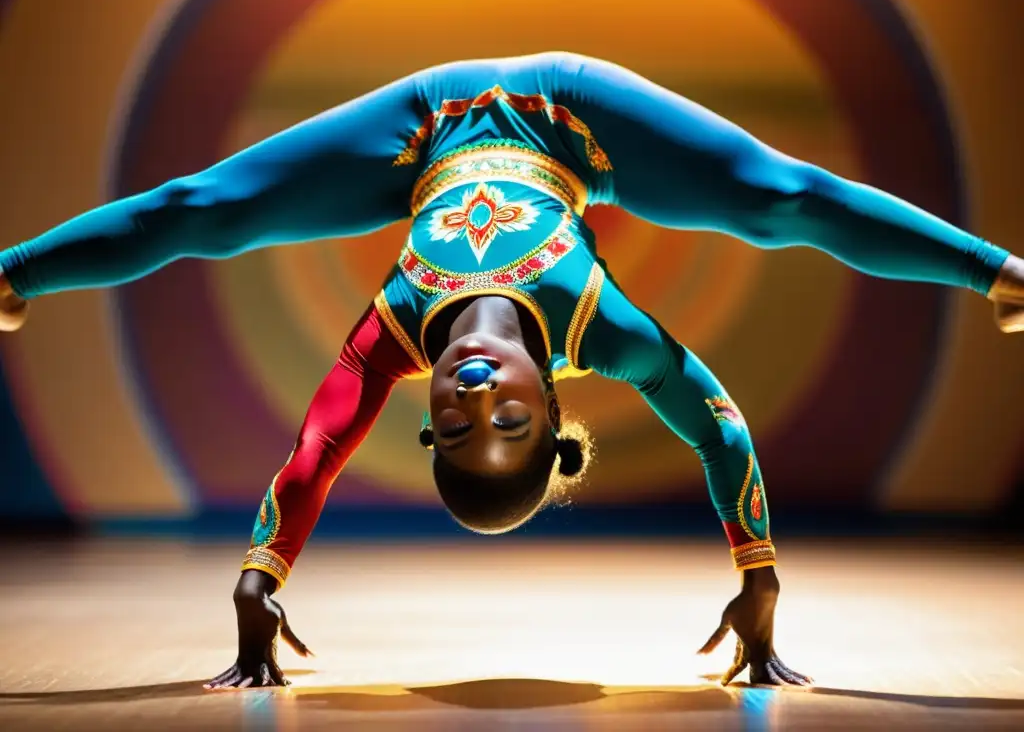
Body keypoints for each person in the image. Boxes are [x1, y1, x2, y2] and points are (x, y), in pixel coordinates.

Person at [2, 53, 1021, 690]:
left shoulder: (390, 340)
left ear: (427, 420)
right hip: (572, 117)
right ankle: (1002, 277)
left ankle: (9, 278)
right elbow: (718, 425)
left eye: (452, 429)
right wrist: (756, 573)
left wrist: (258, 581)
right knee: (779, 199)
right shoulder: (601, 328)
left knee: (206, 210)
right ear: (554, 413)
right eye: (511, 429)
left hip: (420, 137)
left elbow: (316, 449)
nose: (476, 401)